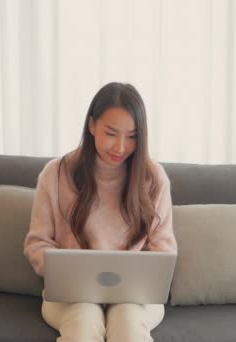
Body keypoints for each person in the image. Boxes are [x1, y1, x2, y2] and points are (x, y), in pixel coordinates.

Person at [23, 82, 177, 342]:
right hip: (71, 296)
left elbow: (163, 249)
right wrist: (66, 271)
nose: (120, 147)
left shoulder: (153, 178)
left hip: (135, 298)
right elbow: (37, 242)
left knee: (128, 322)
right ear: (92, 125)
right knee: (83, 320)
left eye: (132, 136)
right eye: (111, 133)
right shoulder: (56, 174)